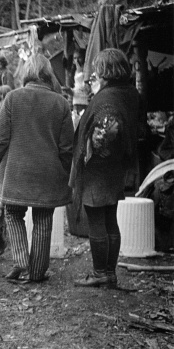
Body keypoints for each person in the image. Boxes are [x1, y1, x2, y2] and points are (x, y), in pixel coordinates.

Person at [0, 53, 73, 283]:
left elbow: (0, 140)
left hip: (16, 169)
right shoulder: (61, 103)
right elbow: (67, 147)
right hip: (48, 172)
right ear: (49, 75)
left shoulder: (13, 98)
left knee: (13, 212)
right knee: (43, 219)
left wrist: (3, 165)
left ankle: (20, 259)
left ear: (27, 74)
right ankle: (37, 272)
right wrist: (61, 170)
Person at [71, 49, 140, 288]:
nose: (95, 73)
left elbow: (108, 130)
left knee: (98, 221)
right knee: (111, 219)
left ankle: (101, 272)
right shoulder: (128, 92)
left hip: (99, 168)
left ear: (106, 70)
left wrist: (93, 149)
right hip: (115, 167)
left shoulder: (108, 98)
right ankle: (109, 273)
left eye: (98, 69)